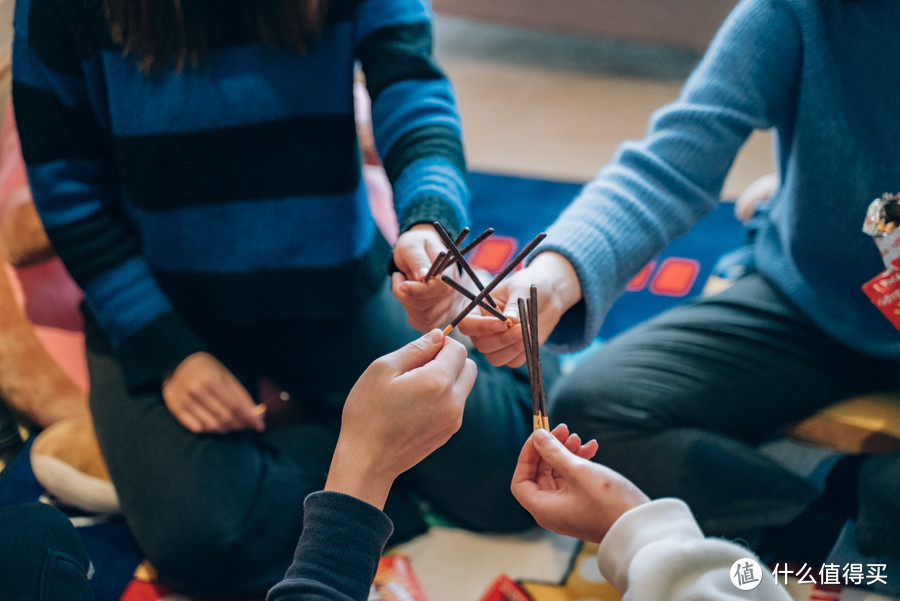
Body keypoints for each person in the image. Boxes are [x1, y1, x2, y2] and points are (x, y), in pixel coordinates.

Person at [12, 0, 539, 595]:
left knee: (512, 483)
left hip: (332, 282)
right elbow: (66, 188)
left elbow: (411, 89)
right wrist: (166, 351)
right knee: (205, 545)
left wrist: (429, 225)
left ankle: (334, 439)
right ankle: (355, 443)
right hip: (166, 305)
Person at [419, 0, 900, 566]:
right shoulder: (799, 13)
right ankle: (849, 512)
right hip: (807, 297)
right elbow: (672, 162)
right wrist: (550, 280)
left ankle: (844, 514)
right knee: (591, 412)